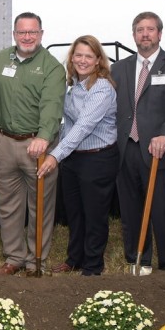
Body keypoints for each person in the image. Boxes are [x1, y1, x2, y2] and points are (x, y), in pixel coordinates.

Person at [112, 11, 165, 272]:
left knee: (163, 209)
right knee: (131, 208)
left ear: (159, 34)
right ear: (134, 35)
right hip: (127, 149)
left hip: (161, 152)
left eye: (150, 29)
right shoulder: (119, 68)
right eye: (139, 30)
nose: (144, 34)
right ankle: (138, 260)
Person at [0, 12, 66, 275]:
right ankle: (14, 258)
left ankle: (36, 261)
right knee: (8, 205)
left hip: (38, 147)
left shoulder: (52, 67)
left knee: (40, 206)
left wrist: (43, 137)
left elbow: (52, 105)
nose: (27, 37)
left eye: (33, 32)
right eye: (22, 32)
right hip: (4, 144)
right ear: (14, 34)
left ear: (41, 34)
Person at [38, 36, 118, 276]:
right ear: (72, 58)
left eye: (89, 56)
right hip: (74, 158)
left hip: (98, 158)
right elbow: (67, 124)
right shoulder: (73, 86)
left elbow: (83, 126)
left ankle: (92, 266)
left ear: (98, 61)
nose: (83, 60)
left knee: (94, 215)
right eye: (78, 55)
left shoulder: (101, 87)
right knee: (75, 213)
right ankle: (74, 259)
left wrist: (55, 155)